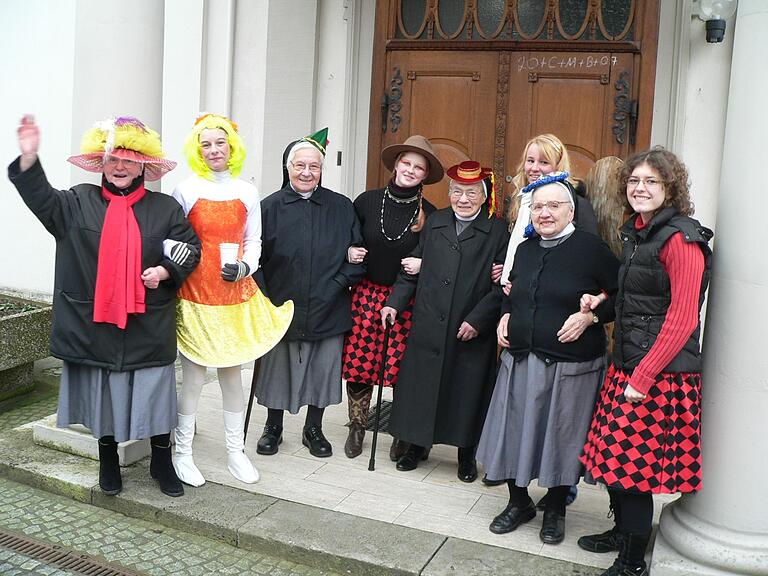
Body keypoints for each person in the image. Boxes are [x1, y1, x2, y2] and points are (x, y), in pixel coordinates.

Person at [8, 115, 200, 497]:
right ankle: (108, 460)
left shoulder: (165, 209)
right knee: (105, 398)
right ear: (102, 163)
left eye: (129, 159)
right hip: (94, 324)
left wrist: (164, 270)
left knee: (157, 396)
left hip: (147, 322)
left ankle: (162, 462)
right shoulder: (77, 202)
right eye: (113, 158)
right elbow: (41, 198)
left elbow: (190, 249)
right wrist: (29, 158)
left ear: (143, 165)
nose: (120, 166)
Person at [579, 148, 712, 576]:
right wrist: (602, 303)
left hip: (658, 375)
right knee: (613, 462)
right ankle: (622, 533)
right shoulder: (639, 232)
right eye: (634, 181)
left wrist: (644, 375)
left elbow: (681, 316)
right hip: (630, 365)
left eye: (651, 182)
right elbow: (638, 298)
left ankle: (632, 561)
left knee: (631, 470)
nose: (640, 188)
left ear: (670, 189)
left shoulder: (680, 240)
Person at [476, 172, 619, 545]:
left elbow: (620, 297)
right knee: (513, 433)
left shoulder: (592, 249)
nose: (544, 213)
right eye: (538, 207)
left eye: (554, 205)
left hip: (571, 367)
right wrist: (506, 313)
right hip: (520, 358)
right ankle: (519, 502)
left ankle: (555, 508)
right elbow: (514, 292)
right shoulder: (525, 249)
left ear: (571, 211)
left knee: (562, 439)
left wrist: (591, 316)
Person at [170, 114, 293, 487]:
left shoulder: (247, 191)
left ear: (231, 147)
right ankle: (183, 452)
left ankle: (235, 451)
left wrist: (245, 266)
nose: (213, 150)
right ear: (197, 149)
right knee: (192, 376)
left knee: (231, 377)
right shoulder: (185, 189)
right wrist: (176, 255)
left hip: (233, 297)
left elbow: (254, 241)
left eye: (219, 143)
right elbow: (170, 237)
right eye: (205, 144)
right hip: (194, 296)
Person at [381, 160, 509, 482]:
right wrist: (394, 304)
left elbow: (502, 285)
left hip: (469, 328)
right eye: (457, 192)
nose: (462, 199)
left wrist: (478, 320)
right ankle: (415, 446)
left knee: (466, 394)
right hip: (429, 324)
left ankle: (466, 455)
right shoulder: (435, 222)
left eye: (470, 193)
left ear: (483, 197)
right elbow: (413, 269)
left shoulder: (496, 231)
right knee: (422, 389)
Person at [254, 128, 365, 458]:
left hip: (329, 305)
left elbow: (357, 257)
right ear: (288, 168)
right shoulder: (268, 207)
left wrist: (333, 287)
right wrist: (269, 298)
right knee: (277, 370)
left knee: (321, 370)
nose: (306, 172)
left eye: (313, 167)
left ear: (321, 169)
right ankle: (272, 426)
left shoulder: (341, 206)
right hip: (281, 306)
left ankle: (312, 428)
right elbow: (253, 259)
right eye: (299, 166)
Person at [342, 135, 442, 459]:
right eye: (406, 163)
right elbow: (348, 238)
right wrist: (349, 251)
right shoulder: (367, 201)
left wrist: (422, 267)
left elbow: (428, 261)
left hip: (405, 301)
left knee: (400, 370)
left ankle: (401, 432)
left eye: (418, 167)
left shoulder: (430, 213)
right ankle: (357, 426)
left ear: (425, 175)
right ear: (396, 164)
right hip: (365, 294)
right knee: (360, 365)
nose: (410, 170)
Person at [500, 133, 598, 289]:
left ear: (558, 166)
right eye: (530, 161)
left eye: (544, 162)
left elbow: (588, 253)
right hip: (515, 287)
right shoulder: (521, 199)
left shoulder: (578, 204)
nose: (534, 168)